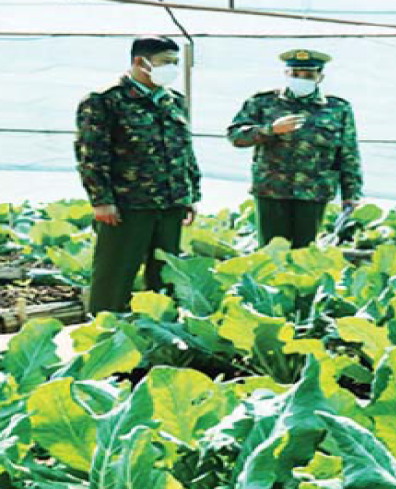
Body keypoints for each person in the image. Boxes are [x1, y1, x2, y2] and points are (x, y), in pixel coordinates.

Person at [74, 35, 201, 315]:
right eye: (165, 62)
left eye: (175, 62)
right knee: (115, 274)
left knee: (165, 276)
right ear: (140, 62)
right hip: (127, 204)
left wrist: (191, 195)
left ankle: (159, 331)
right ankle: (104, 329)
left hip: (170, 203)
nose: (172, 68)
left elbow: (185, 150)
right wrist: (101, 200)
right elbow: (91, 154)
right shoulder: (105, 100)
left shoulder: (174, 101)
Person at [227, 48, 363, 248]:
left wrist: (351, 194)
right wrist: (270, 130)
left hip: (314, 191)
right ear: (286, 74)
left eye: (308, 75)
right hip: (272, 190)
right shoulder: (262, 102)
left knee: (304, 252)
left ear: (320, 77)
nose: (301, 79)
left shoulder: (337, 108)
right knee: (271, 251)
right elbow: (235, 136)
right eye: (295, 74)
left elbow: (348, 153)